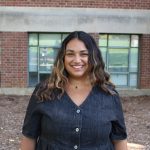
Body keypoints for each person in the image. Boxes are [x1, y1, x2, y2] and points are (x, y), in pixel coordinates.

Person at [21, 31, 128, 150]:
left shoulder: (109, 95)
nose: (77, 60)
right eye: (70, 54)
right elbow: (29, 136)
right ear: (63, 57)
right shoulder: (43, 92)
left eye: (84, 54)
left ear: (93, 57)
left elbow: (119, 139)